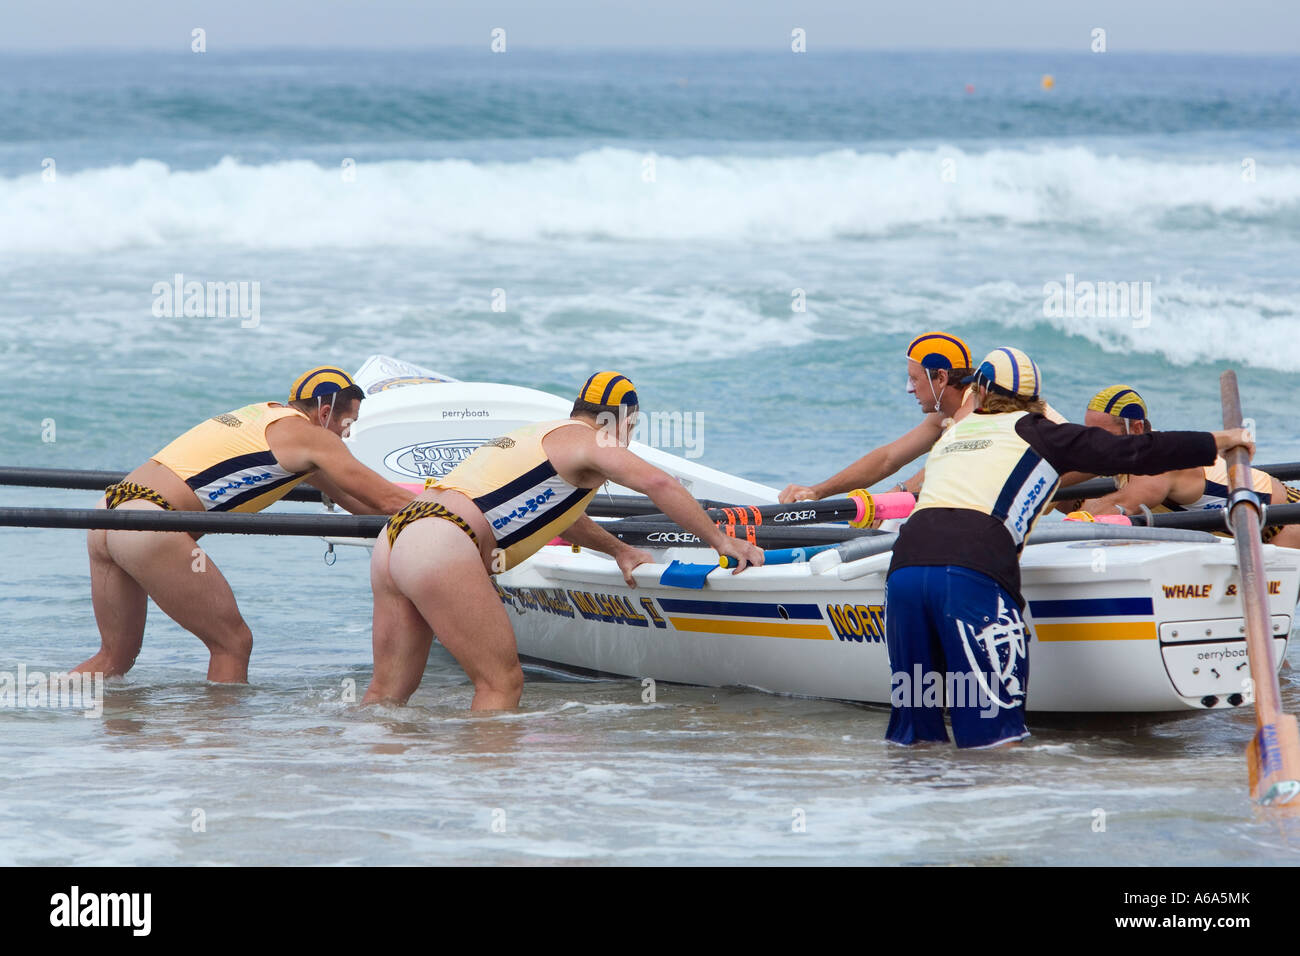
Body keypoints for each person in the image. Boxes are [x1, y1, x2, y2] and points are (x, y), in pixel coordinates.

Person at [884, 350, 1252, 749]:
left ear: (981, 393)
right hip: (969, 574)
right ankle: (990, 809)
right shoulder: (1043, 433)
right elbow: (1139, 451)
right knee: (993, 744)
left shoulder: (953, 434)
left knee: (915, 738)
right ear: (1036, 398)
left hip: (903, 572)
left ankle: (913, 804)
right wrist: (1222, 440)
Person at [362, 371, 765, 710]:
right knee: (501, 684)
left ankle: (370, 776)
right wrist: (721, 541)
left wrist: (620, 550)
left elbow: (557, 514)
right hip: (442, 543)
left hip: (399, 535)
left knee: (387, 697)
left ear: (576, 410)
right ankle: (486, 797)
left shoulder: (539, 435)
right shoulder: (596, 440)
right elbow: (659, 482)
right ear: (626, 421)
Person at [77, 367, 413, 683]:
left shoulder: (265, 416)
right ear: (325, 413)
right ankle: (220, 744)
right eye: (348, 421)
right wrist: (453, 514)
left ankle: (34, 701)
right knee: (233, 644)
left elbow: (364, 505)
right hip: (150, 524)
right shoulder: (314, 438)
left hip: (109, 512)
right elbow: (388, 500)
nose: (348, 432)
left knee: (113, 660)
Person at [1070, 385, 1300, 548]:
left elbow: (1120, 505)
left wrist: (1059, 532)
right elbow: (1065, 479)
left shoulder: (1158, 464)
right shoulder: (1121, 452)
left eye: (1102, 436)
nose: (1096, 444)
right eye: (1089, 435)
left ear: (1137, 429)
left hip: (1283, 521)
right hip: (1240, 529)